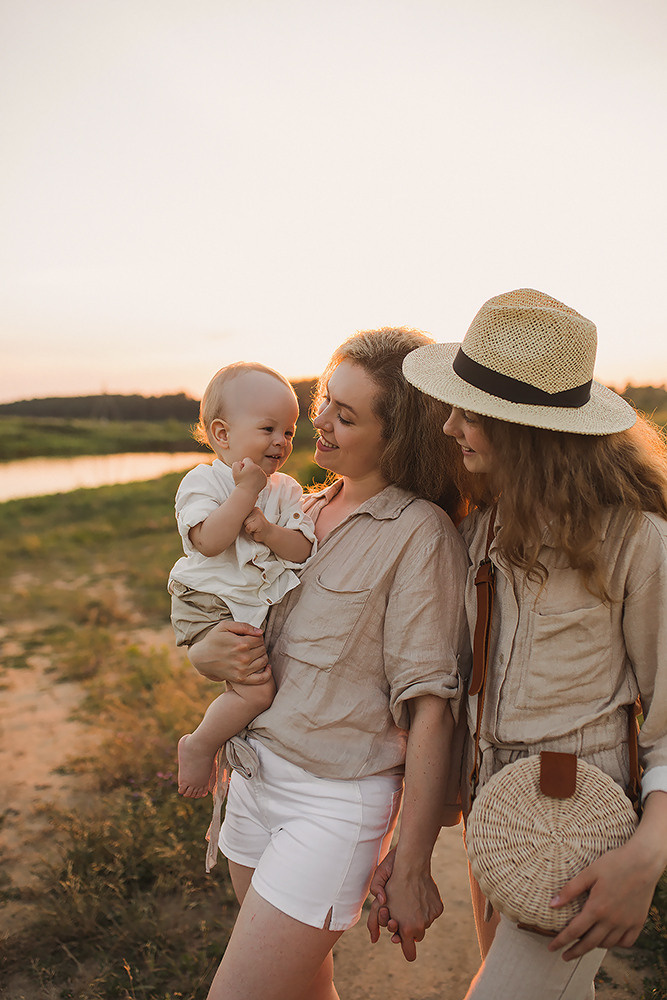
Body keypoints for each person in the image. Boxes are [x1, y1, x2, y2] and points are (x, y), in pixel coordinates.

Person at [370, 288, 667, 999]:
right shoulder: (482, 533)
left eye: (468, 412)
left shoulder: (638, 542)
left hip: (577, 835)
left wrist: (645, 859)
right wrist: (406, 857)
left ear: (525, 428)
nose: (448, 426)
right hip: (495, 823)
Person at [185, 327, 471, 1000]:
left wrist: (410, 860)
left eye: (345, 416)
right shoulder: (295, 507)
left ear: (397, 437)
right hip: (251, 784)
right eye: (323, 400)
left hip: (332, 804)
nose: (317, 422)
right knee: (306, 990)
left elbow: (431, 707)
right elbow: (235, 628)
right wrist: (204, 653)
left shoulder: (419, 535)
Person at [168, 362, 316, 798]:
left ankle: (241, 758)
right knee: (256, 693)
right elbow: (209, 541)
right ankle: (199, 745)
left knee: (253, 687)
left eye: (288, 432)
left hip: (249, 605)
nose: (281, 442)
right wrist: (244, 492)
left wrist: (270, 532)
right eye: (268, 428)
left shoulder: (286, 488)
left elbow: (303, 549)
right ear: (223, 434)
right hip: (208, 601)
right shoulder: (204, 481)